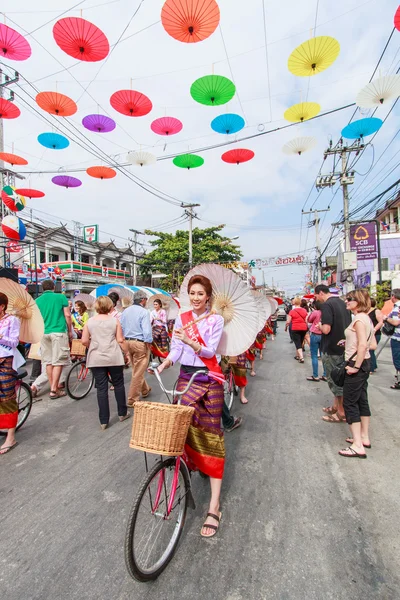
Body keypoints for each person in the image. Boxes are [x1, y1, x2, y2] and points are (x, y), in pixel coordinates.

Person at [157, 274, 225, 538]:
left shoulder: (215, 320)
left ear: (208, 297)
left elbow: (210, 351)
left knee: (211, 437)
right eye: (192, 293)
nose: (196, 298)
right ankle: (193, 464)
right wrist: (164, 364)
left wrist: (191, 341)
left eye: (201, 294)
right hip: (186, 376)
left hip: (208, 380)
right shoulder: (181, 319)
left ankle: (214, 506)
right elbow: (175, 349)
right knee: (181, 430)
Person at [82, 296, 130, 430]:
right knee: (118, 384)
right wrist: (127, 354)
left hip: (96, 358)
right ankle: (122, 413)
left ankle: (104, 420)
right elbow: (120, 340)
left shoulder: (90, 322)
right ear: (110, 306)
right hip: (113, 356)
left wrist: (93, 345)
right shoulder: (114, 321)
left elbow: (84, 340)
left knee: (101, 389)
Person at [339, 290, 376, 458]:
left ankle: (357, 444)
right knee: (361, 400)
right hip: (364, 363)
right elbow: (371, 344)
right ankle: (363, 437)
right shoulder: (365, 318)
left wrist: (355, 366)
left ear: (358, 301)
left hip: (357, 365)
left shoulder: (360, 319)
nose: (346, 301)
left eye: (349, 299)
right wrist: (349, 342)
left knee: (350, 403)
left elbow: (363, 345)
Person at [315, 284, 351, 423]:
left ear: (321, 293)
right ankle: (336, 406)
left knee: (335, 380)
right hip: (343, 346)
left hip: (331, 348)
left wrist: (319, 326)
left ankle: (340, 412)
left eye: (316, 295)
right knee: (339, 378)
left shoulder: (327, 306)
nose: (316, 298)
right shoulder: (342, 303)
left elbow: (326, 330)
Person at [36, 279, 72, 399]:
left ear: (43, 288)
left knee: (48, 361)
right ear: (53, 287)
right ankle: (53, 390)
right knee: (59, 361)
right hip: (58, 331)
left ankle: (54, 388)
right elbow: (67, 315)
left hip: (44, 333)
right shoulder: (60, 297)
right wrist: (70, 331)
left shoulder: (37, 301)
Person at [0, 292, 24, 454]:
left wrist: (1, 337)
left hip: (6, 362)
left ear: (1, 307)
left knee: (7, 398)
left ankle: (11, 437)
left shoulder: (12, 320)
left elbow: (15, 341)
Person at [120, 290, 152, 406]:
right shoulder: (144, 312)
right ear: (143, 300)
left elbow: (121, 327)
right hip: (139, 342)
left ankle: (145, 389)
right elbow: (147, 330)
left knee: (136, 368)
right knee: (138, 371)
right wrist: (149, 341)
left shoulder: (125, 311)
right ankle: (132, 398)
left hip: (127, 341)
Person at [383, 289, 400, 389]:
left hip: (397, 338)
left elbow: (396, 322)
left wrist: (386, 318)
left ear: (393, 296)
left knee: (397, 359)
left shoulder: (397, 308)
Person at [306, 300, 327, 382]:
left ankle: (315, 375)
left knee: (314, 355)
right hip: (324, 334)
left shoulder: (316, 312)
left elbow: (309, 320)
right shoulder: (326, 312)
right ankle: (325, 375)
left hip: (315, 334)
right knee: (323, 355)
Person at [285, 297, 308, 363]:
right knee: (300, 342)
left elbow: (288, 321)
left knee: (297, 343)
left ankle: (301, 357)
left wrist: (286, 326)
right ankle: (297, 355)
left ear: (294, 303)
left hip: (295, 328)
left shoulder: (292, 311)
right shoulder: (304, 310)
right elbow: (306, 320)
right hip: (304, 328)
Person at [368, 298, 384, 374]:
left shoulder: (376, 311)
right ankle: (373, 366)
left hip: (375, 334)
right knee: (369, 351)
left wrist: (374, 330)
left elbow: (381, 322)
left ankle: (371, 368)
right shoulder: (365, 311)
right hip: (367, 333)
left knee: (370, 350)